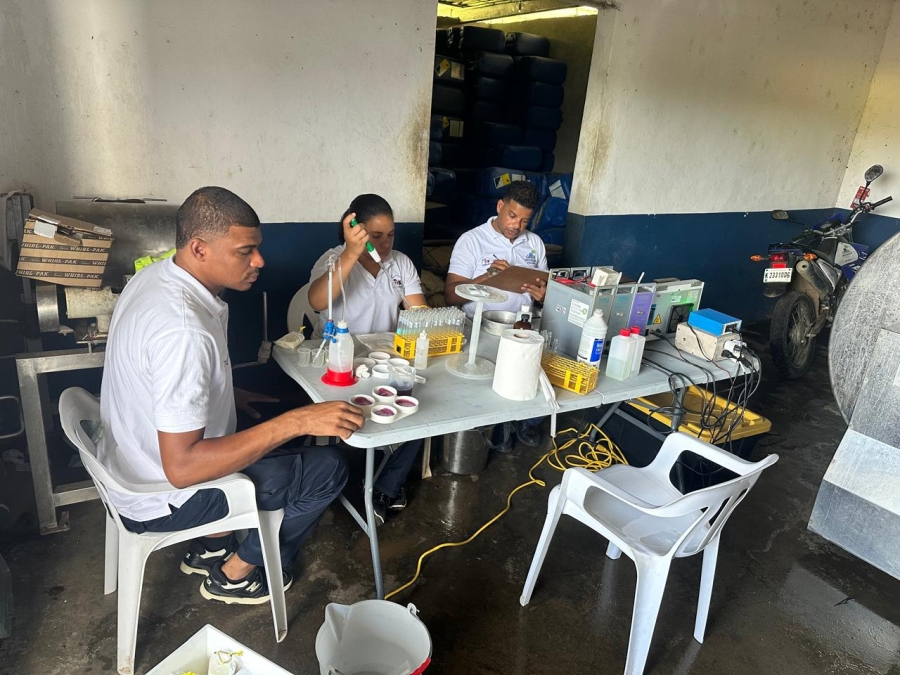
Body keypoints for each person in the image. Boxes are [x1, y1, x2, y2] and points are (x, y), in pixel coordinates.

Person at [99, 186, 365, 605]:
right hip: (165, 495)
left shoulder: (157, 276)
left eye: (257, 248)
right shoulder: (183, 330)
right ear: (199, 248)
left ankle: (209, 546)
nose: (259, 261)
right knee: (327, 467)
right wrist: (298, 422)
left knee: (277, 410)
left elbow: (162, 382)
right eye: (245, 251)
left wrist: (227, 393)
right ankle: (237, 572)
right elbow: (182, 468)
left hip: (130, 460)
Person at [308, 194, 426, 524]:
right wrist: (351, 253)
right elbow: (316, 301)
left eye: (391, 235)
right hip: (341, 364)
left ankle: (383, 487)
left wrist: (427, 324)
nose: (385, 244)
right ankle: (346, 481)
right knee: (353, 418)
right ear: (356, 230)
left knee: (420, 408)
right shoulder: (334, 259)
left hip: (386, 363)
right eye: (376, 236)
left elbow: (418, 311)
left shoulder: (399, 264)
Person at [444, 180, 549, 450]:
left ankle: (524, 422)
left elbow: (546, 291)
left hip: (522, 327)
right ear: (500, 206)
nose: (517, 226)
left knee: (531, 376)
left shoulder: (535, 244)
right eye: (512, 216)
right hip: (479, 328)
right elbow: (451, 295)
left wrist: (543, 295)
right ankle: (495, 429)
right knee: (485, 385)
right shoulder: (471, 241)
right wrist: (487, 276)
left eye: (525, 221)